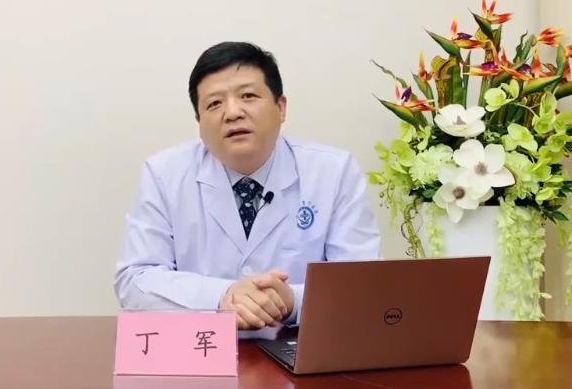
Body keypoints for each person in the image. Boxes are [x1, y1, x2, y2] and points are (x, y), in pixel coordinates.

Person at [114, 42, 380, 329]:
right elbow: (134, 281)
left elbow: (364, 285)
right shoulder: (164, 174)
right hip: (201, 346)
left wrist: (292, 301)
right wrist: (224, 296)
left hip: (301, 345)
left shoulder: (334, 172)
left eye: (248, 96)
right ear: (199, 122)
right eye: (214, 104)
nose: (232, 113)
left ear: (281, 107)